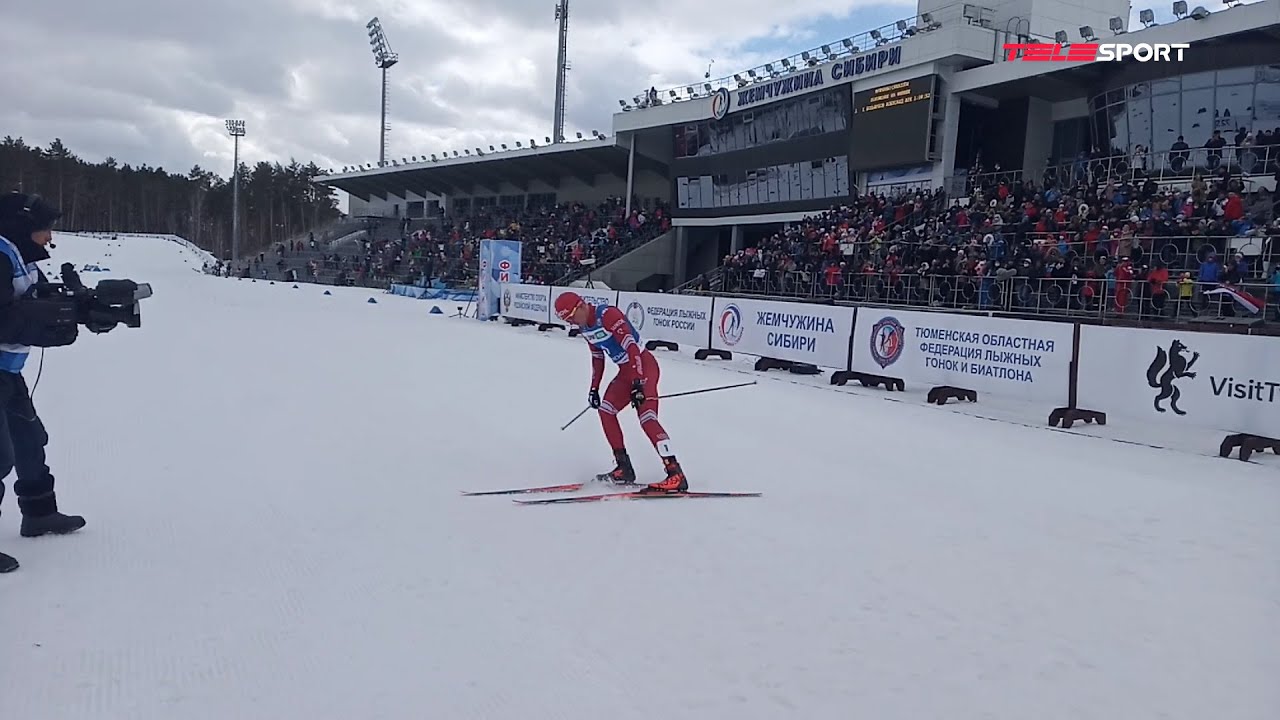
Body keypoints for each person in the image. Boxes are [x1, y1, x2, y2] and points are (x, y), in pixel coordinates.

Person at [0, 192, 87, 574]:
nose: (49, 238)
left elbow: (39, 298)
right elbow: (6, 318)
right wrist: (49, 320)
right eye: (43, 230)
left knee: (30, 441)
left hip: (7, 369)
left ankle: (39, 515)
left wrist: (85, 310)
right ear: (21, 228)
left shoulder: (19, 256)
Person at [553, 291, 687, 494]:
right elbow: (597, 357)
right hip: (625, 371)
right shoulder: (584, 326)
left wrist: (638, 383)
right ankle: (623, 468)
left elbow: (632, 349)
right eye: (567, 320)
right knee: (606, 410)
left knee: (647, 419)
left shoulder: (608, 315)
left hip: (643, 366)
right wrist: (594, 388)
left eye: (571, 317)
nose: (572, 322)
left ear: (580, 306)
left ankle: (675, 472)